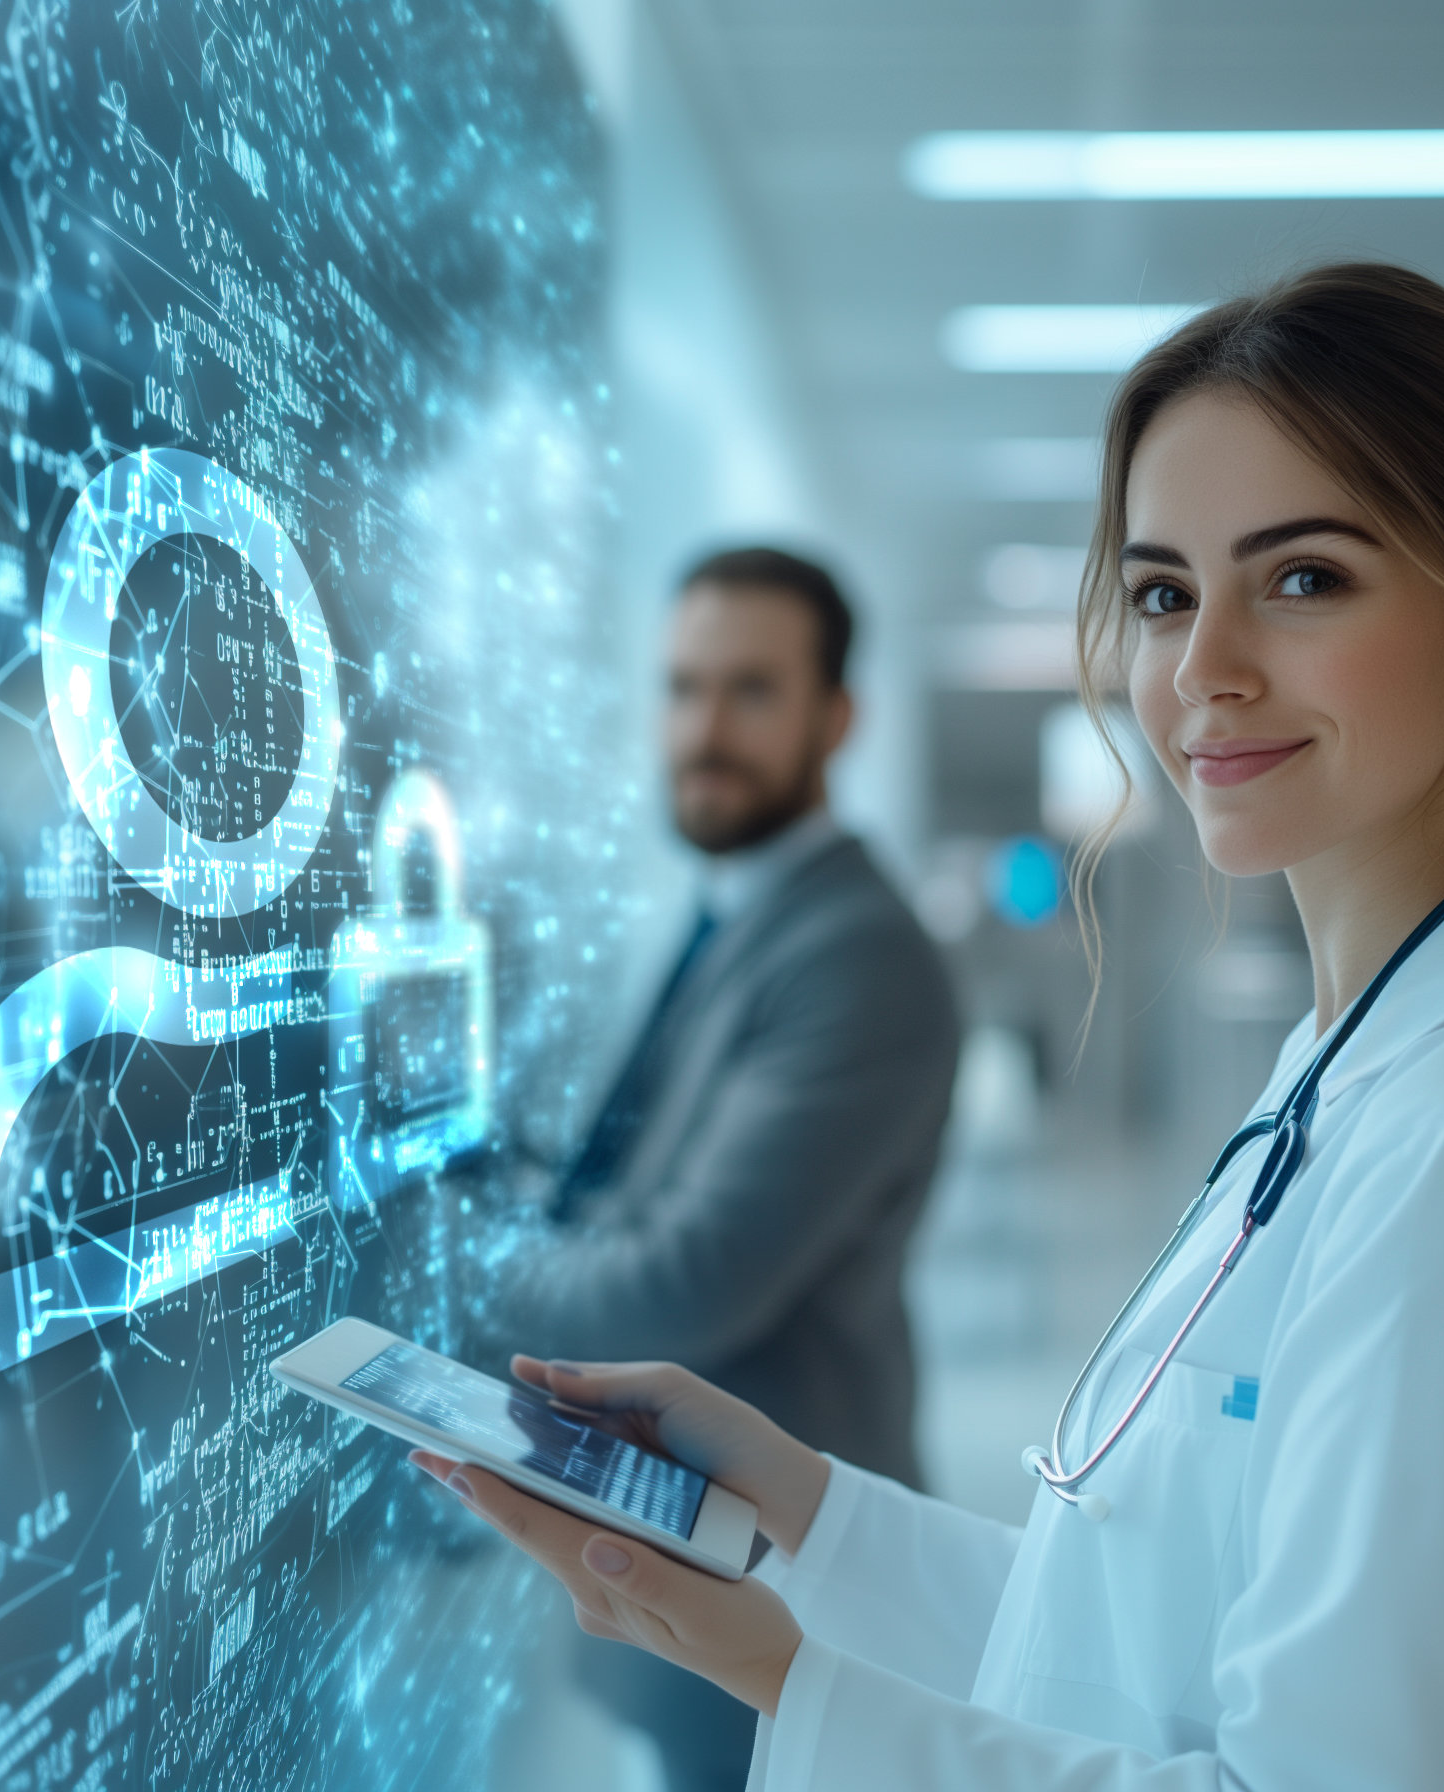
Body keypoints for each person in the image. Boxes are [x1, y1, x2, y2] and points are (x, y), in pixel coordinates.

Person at [422, 264, 1444, 1789]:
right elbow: (1145, 1649)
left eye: (1306, 578)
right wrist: (811, 1516)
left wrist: (791, 1684)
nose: (1204, 668)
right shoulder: (1363, 1074)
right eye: (1162, 593)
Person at [481, 547, 961, 1790]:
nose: (705, 729)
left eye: (751, 690)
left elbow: (680, 1283)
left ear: (836, 716)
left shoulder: (853, 957)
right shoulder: (737, 915)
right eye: (683, 687)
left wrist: (465, 1256)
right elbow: (635, 1184)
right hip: (693, 1576)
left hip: (771, 1593)